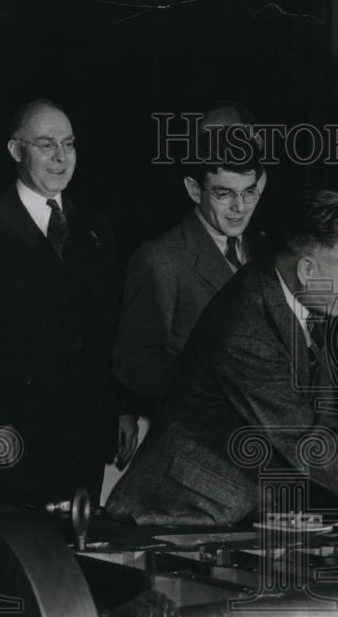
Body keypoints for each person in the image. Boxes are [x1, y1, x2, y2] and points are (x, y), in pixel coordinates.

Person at [106, 190, 338, 530]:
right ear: (306, 270)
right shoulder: (244, 326)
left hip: (243, 509)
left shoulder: (308, 295)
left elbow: (323, 418)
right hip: (176, 515)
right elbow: (307, 441)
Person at [0, 99, 138, 507]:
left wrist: (121, 408)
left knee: (84, 550)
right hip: (17, 435)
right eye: (47, 145)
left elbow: (112, 326)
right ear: (15, 150)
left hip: (87, 429)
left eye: (69, 144)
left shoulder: (96, 226)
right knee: (25, 557)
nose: (61, 157)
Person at [113, 131, 267, 409]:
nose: (240, 207)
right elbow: (133, 363)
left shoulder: (266, 249)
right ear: (194, 189)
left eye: (249, 192)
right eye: (224, 193)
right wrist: (215, 389)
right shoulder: (159, 259)